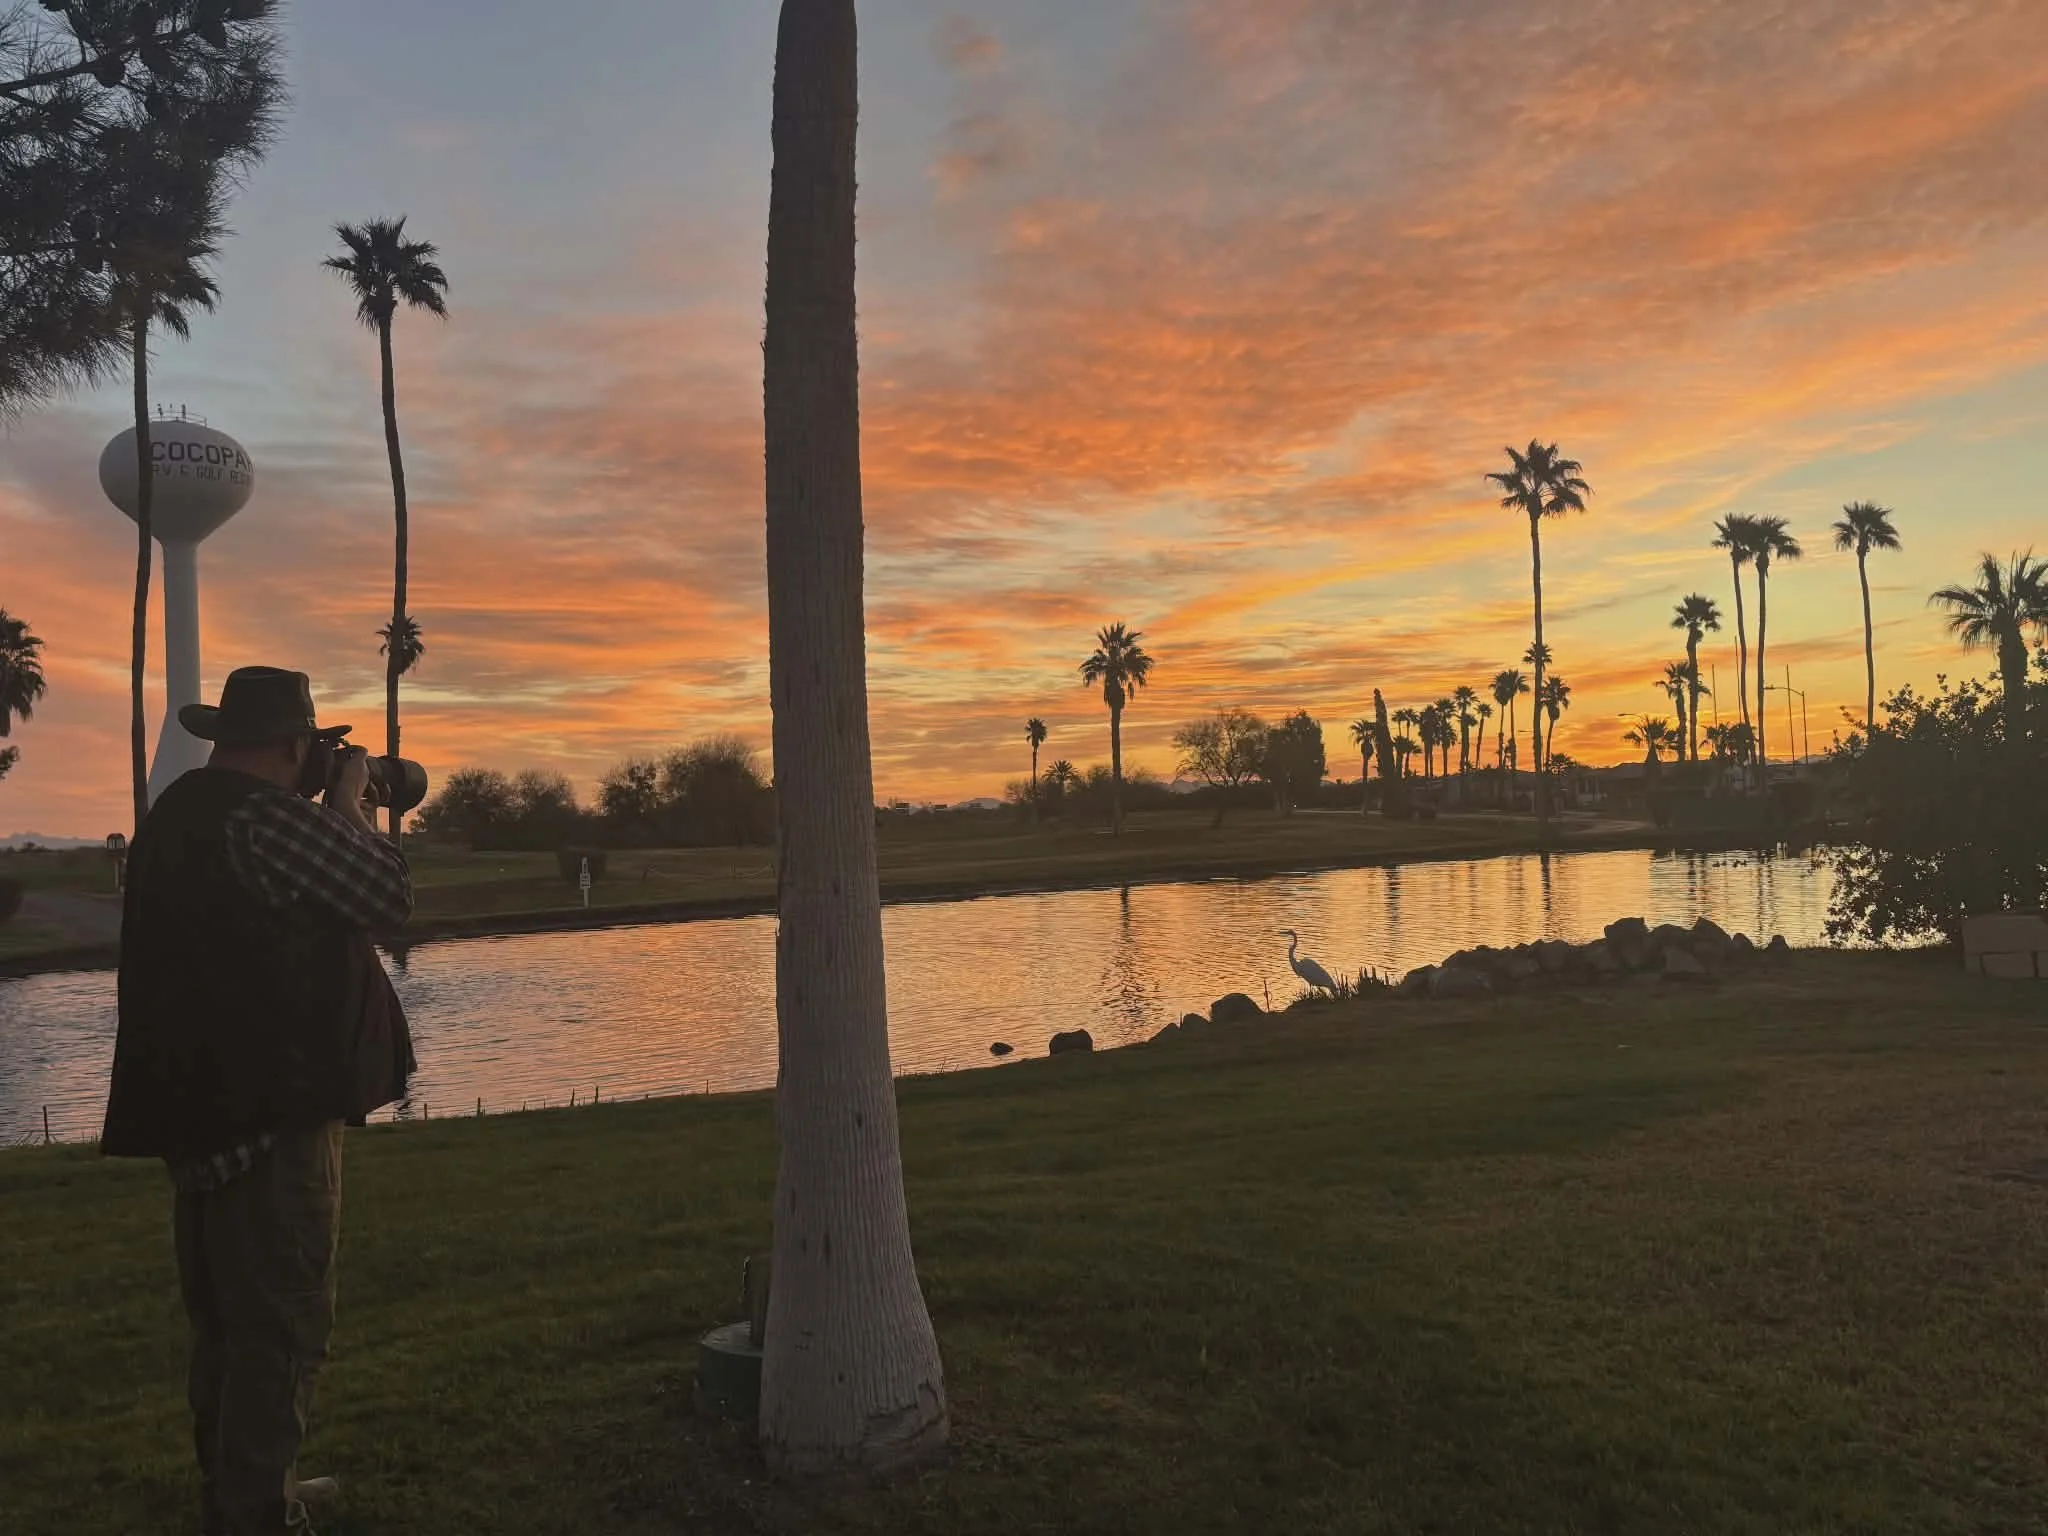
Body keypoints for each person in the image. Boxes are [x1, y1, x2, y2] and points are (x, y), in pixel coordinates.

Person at [101, 666, 416, 1536]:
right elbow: (388, 896)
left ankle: (249, 1487)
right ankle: (253, 1512)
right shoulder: (269, 818)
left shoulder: (175, 817)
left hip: (197, 1111)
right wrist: (349, 803)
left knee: (228, 1328)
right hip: (271, 1115)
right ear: (292, 743)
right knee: (281, 1323)